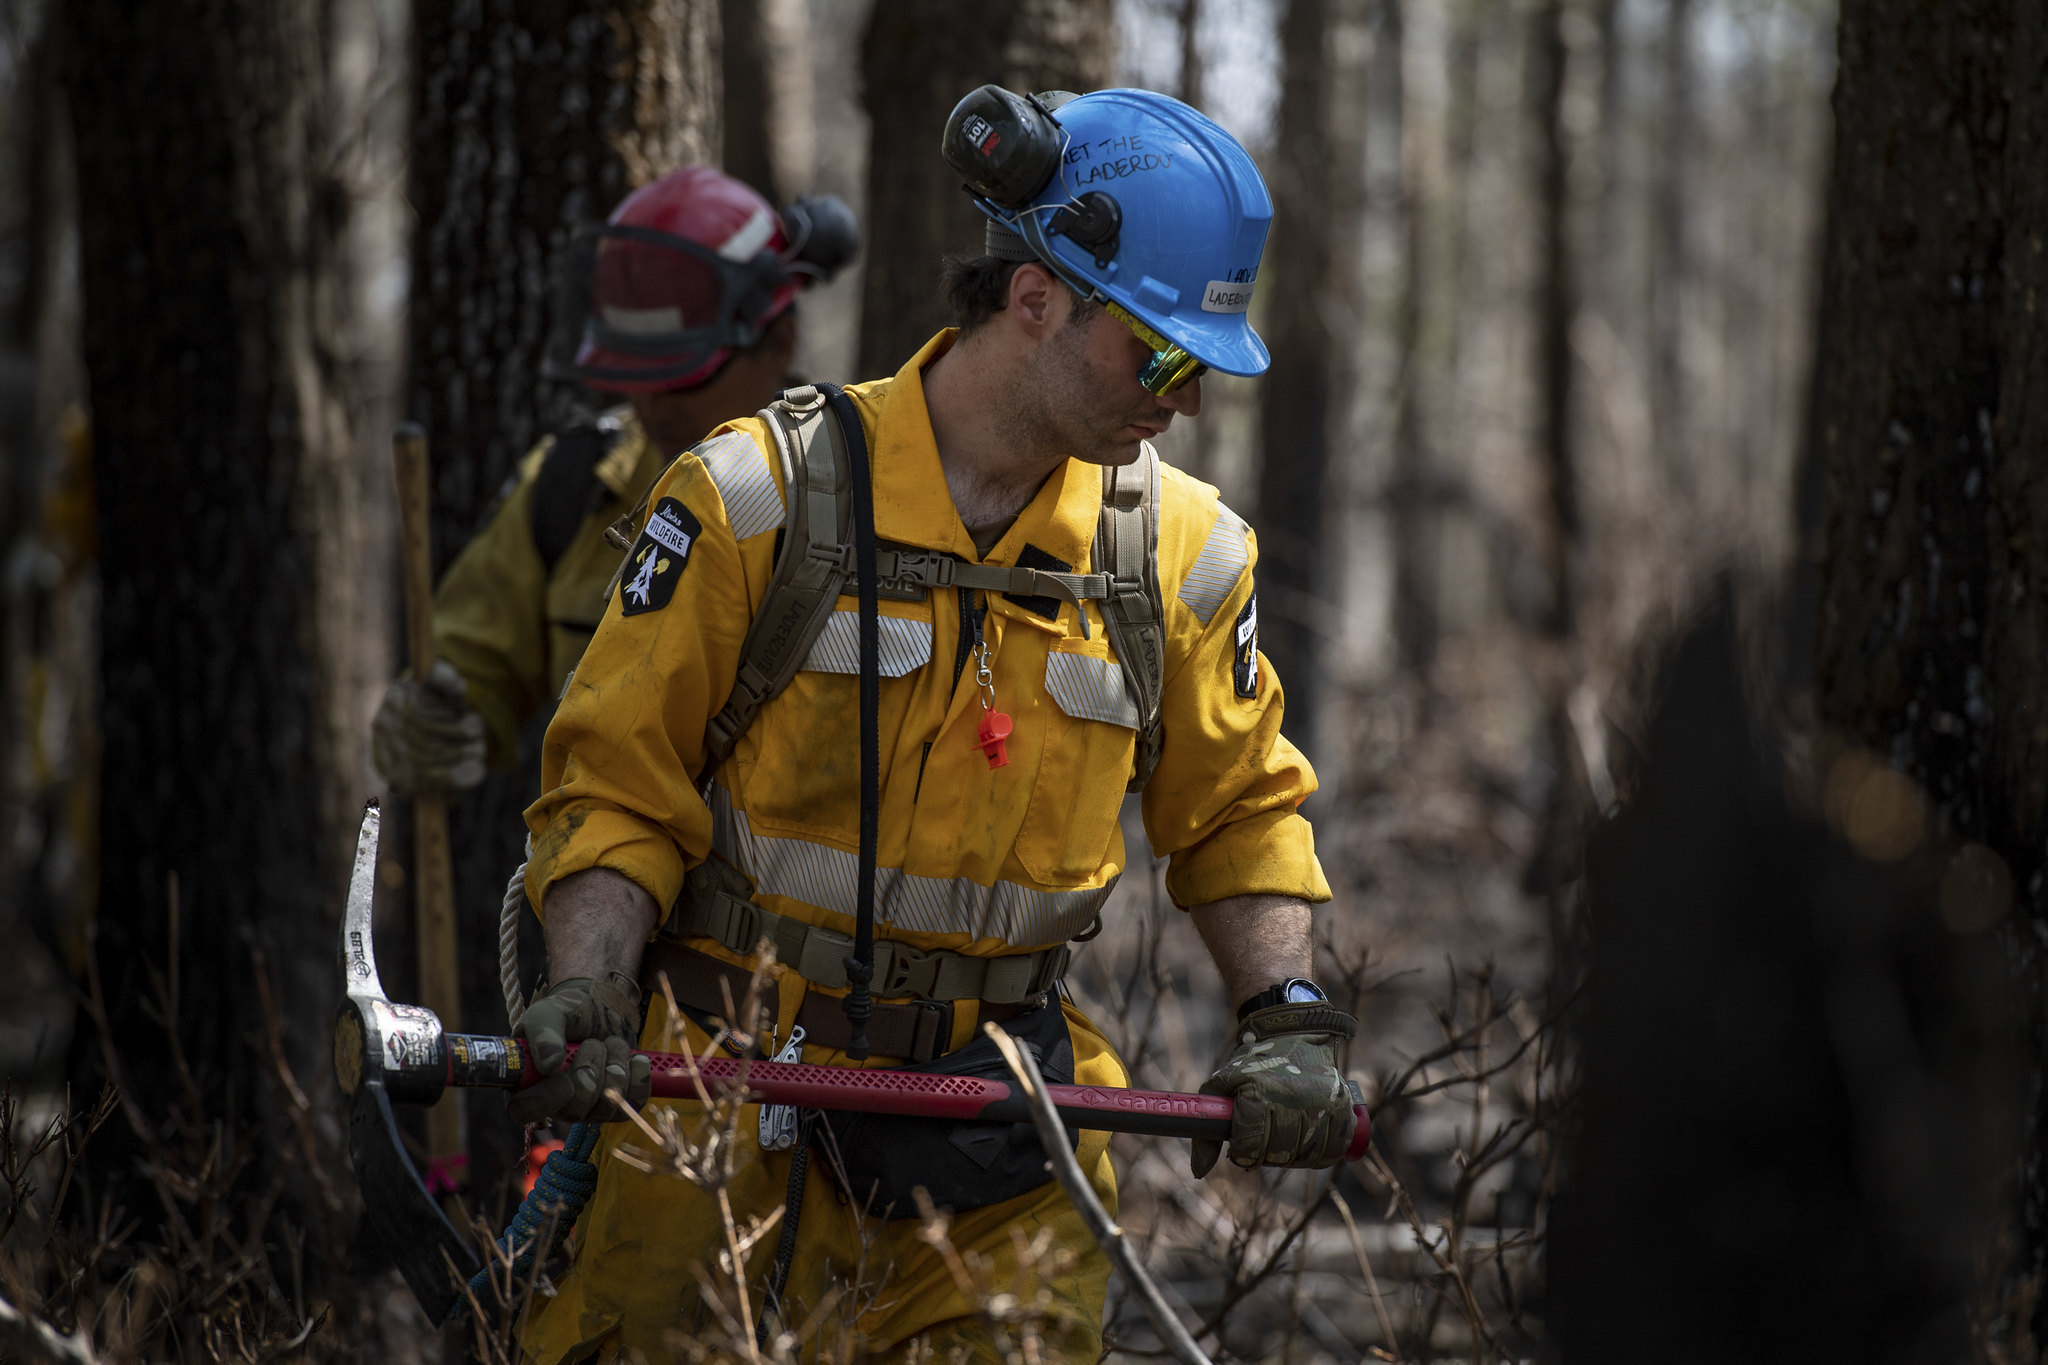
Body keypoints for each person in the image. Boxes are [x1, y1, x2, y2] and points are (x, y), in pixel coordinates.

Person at [512, 87, 1358, 1362]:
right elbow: (615, 786)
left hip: (1004, 1126)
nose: (1180, 403)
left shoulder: (1180, 558)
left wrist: (1284, 1017)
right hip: (717, 1112)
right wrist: (584, 982)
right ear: (1034, 302)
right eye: (1160, 355)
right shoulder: (755, 500)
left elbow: (1238, 810)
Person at [369, 165, 857, 796]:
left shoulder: (855, 496)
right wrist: (430, 717)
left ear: (778, 341)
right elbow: (470, 663)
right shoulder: (571, 486)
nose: (653, 405)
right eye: (635, 371)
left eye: (680, 376)